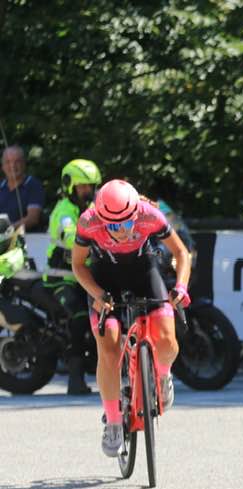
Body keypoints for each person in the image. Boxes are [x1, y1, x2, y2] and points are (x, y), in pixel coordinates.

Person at [71, 179, 192, 457]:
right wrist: (97, 294)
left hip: (145, 274)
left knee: (167, 341)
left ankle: (162, 376)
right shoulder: (88, 222)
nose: (121, 232)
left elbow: (181, 253)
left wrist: (182, 287)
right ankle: (113, 421)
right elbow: (77, 265)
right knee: (109, 346)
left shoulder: (149, 214)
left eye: (127, 224)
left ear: (136, 214)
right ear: (101, 219)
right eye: (113, 227)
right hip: (104, 282)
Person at [44, 159, 102, 395]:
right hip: (62, 278)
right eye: (82, 187)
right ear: (69, 187)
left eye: (90, 186)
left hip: (84, 275)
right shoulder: (64, 211)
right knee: (79, 316)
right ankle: (75, 379)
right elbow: (70, 235)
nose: (87, 191)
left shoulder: (95, 209)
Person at [0, 145, 44, 230]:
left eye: (17, 161)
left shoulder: (33, 185)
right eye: (8, 162)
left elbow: (32, 219)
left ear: (24, 164)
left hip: (29, 239)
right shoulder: (1, 186)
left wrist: (7, 229)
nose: (13, 166)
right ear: (3, 166)